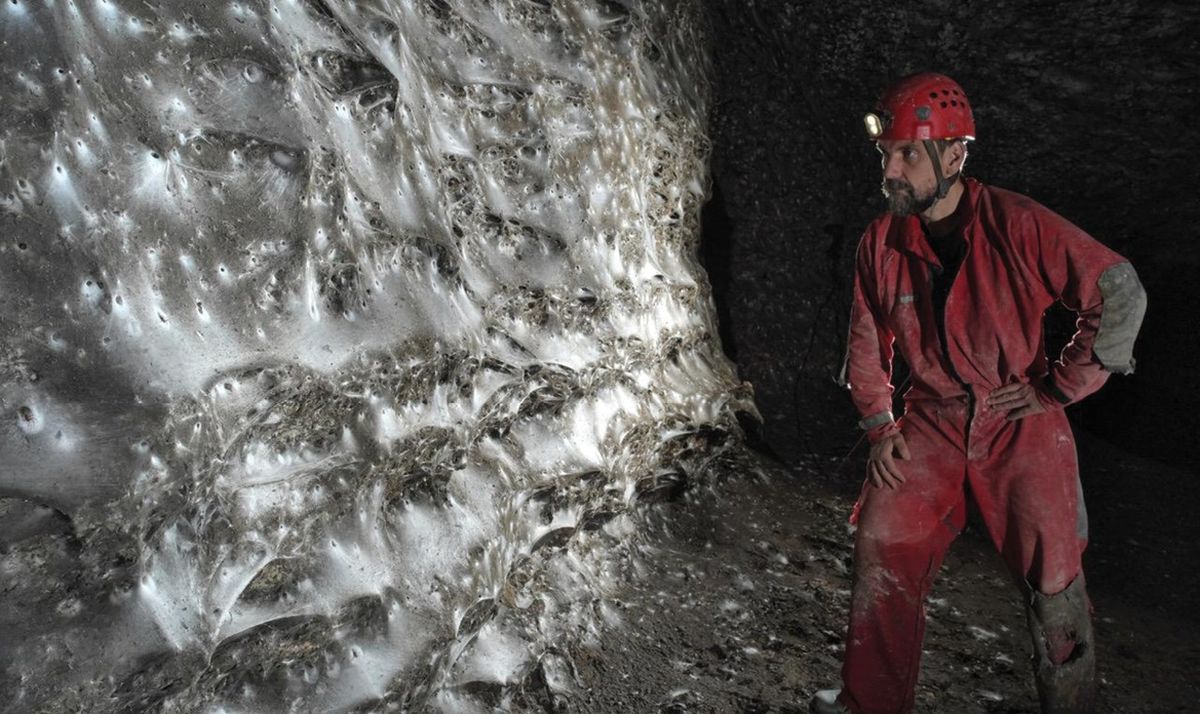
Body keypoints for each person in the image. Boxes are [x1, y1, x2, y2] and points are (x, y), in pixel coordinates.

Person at [810, 73, 1147, 714]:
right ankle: (870, 704)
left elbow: (1119, 290)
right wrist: (880, 426)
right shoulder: (882, 242)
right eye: (888, 154)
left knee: (1055, 580)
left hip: (1018, 417)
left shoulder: (1017, 223)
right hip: (931, 419)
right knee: (884, 538)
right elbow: (864, 341)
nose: (893, 169)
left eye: (909, 153)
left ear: (956, 155)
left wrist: (1059, 388)